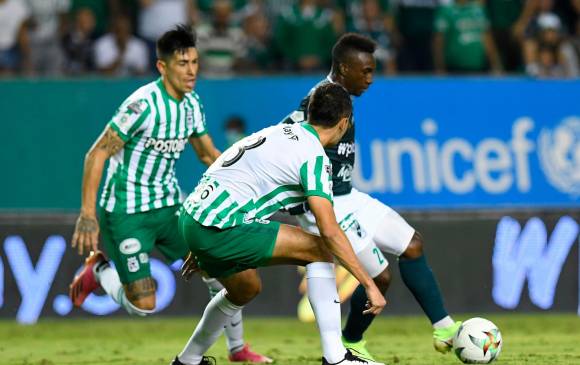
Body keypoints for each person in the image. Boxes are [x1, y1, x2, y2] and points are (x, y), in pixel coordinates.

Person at [69, 24, 271, 363]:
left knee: (219, 270)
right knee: (143, 306)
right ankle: (100, 271)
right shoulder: (142, 106)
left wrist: (246, 183)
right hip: (126, 213)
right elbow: (97, 153)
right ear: (162, 67)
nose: (191, 70)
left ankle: (237, 349)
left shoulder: (192, 105)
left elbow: (208, 155)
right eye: (182, 63)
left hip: (170, 207)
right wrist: (88, 215)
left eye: (194, 62)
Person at [171, 83, 386, 365]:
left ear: (309, 112)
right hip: (219, 225)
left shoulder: (278, 131)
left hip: (194, 217)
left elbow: (226, 166)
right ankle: (336, 358)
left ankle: (187, 360)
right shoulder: (314, 157)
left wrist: (201, 233)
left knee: (245, 287)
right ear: (344, 123)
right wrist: (368, 283)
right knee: (320, 249)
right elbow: (330, 230)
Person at [281, 33, 461, 360]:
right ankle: (351, 343)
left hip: (349, 194)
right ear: (342, 68)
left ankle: (444, 326)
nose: (370, 79)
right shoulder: (319, 99)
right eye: (364, 71)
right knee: (380, 278)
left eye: (372, 71)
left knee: (412, 244)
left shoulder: (339, 94)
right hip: (327, 203)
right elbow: (287, 134)